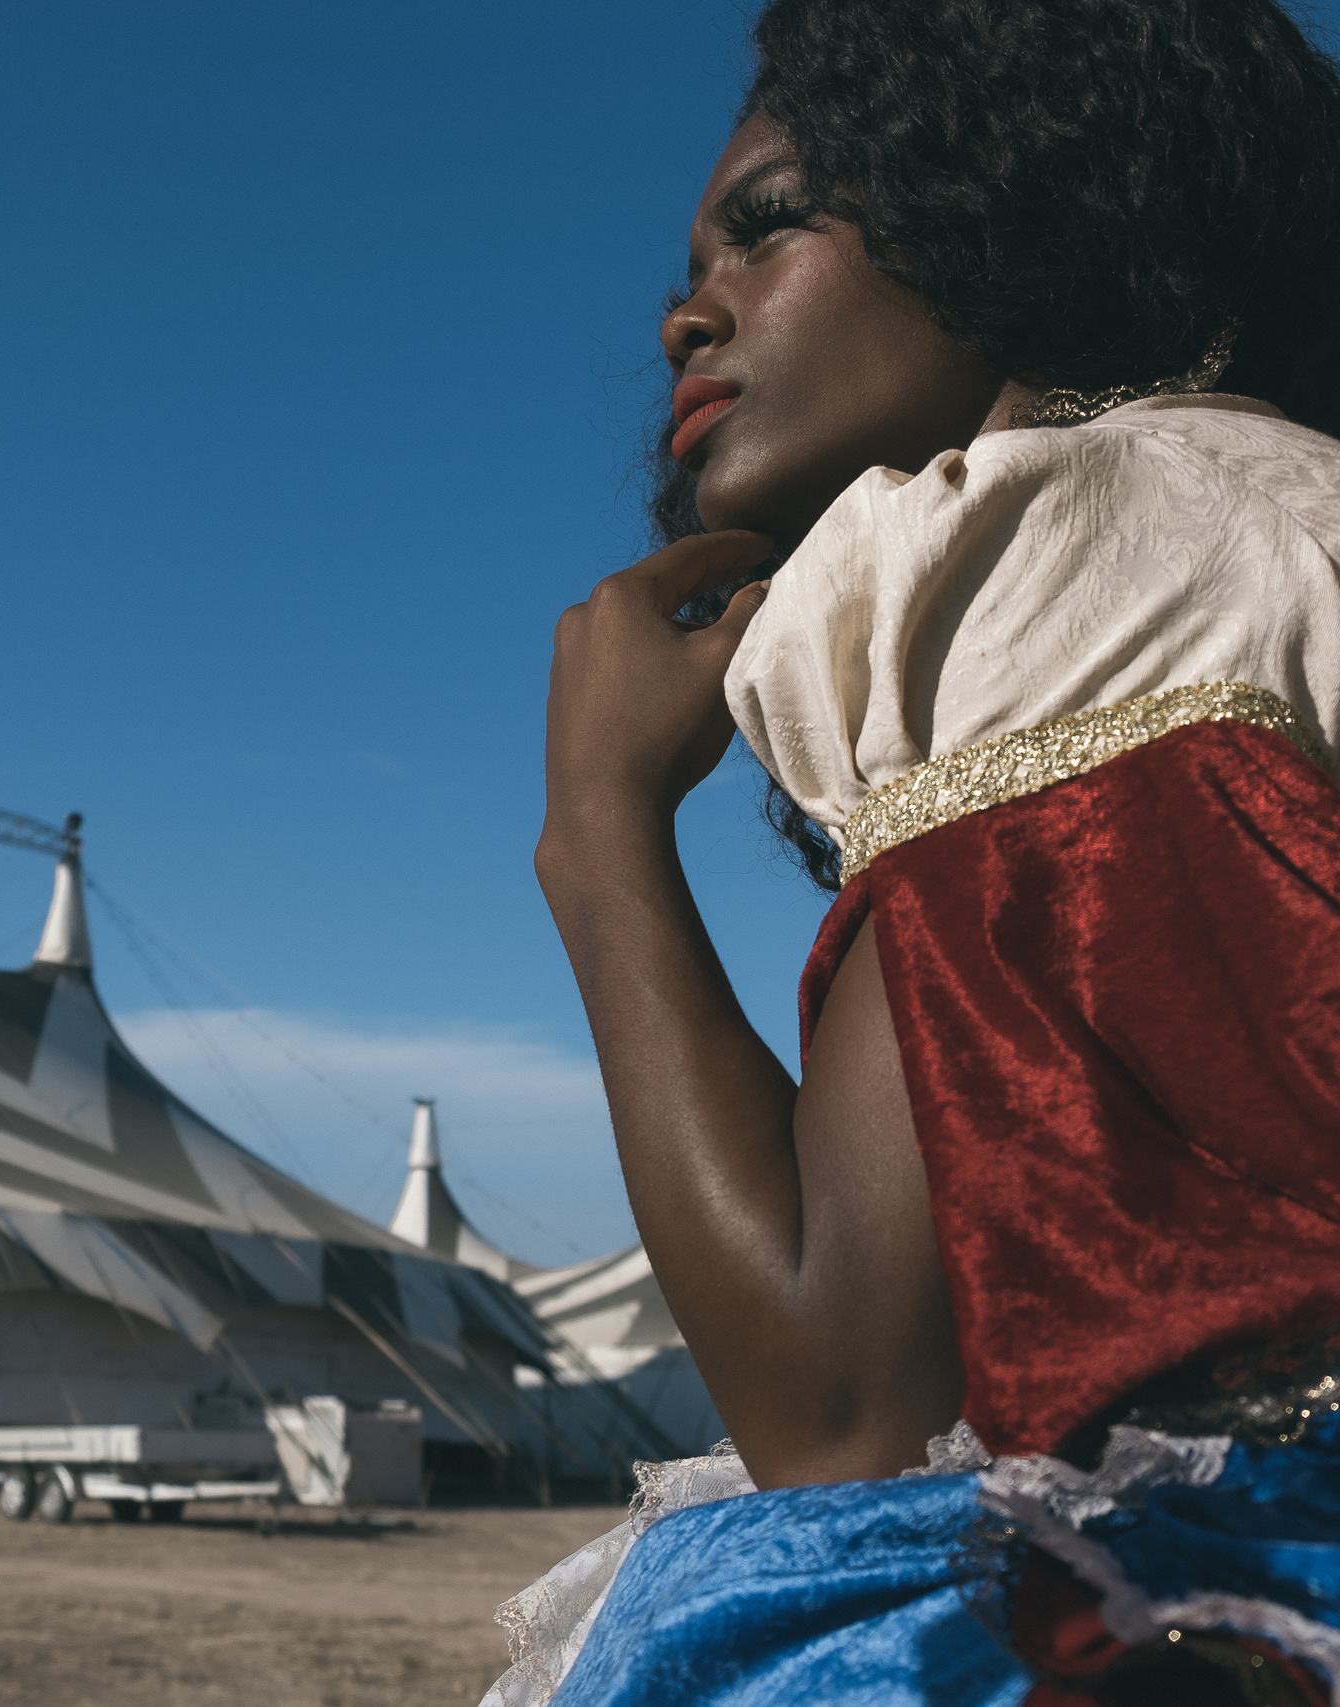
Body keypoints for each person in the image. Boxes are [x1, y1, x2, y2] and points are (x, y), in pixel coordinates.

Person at [492, 1, 1340, 1702]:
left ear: (1020, 201)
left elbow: (836, 1403)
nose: (685, 309)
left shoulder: (1063, 549)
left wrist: (596, 839)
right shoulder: (1260, 518)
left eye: (771, 218)